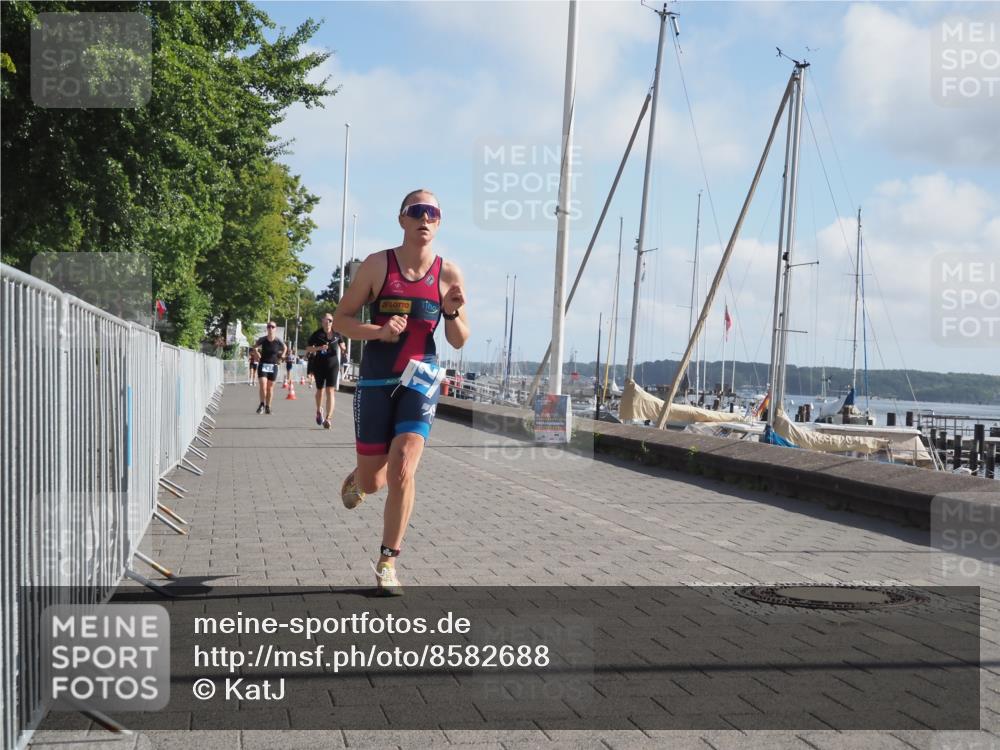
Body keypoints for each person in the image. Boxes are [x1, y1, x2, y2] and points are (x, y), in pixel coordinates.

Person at [332, 189, 468, 596]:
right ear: (402, 219)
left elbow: (459, 339)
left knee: (403, 468)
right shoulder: (378, 265)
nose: (425, 218)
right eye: (417, 211)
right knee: (375, 482)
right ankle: (359, 478)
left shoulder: (448, 273)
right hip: (376, 380)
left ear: (439, 222)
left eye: (433, 213)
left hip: (420, 379)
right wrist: (377, 331)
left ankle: (387, 561)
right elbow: (341, 320)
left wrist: (451, 312)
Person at [305, 314, 346, 428]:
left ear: (332, 322)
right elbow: (308, 348)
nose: (328, 322)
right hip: (319, 365)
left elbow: (343, 344)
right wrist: (319, 348)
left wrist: (343, 348)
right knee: (320, 391)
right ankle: (319, 410)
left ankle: (328, 418)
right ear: (322, 321)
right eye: (326, 320)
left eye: (330, 320)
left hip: (333, 365)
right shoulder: (317, 334)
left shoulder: (337, 333)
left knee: (330, 390)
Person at [251, 322, 286, 414]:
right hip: (263, 364)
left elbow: (285, 347)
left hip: (273, 365)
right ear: (267, 328)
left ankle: (268, 406)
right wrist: (257, 353)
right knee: (263, 385)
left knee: (270, 388)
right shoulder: (262, 339)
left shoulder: (278, 340)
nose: (270, 328)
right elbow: (254, 347)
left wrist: (282, 356)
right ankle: (262, 404)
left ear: (275, 328)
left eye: (272, 327)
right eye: (269, 327)